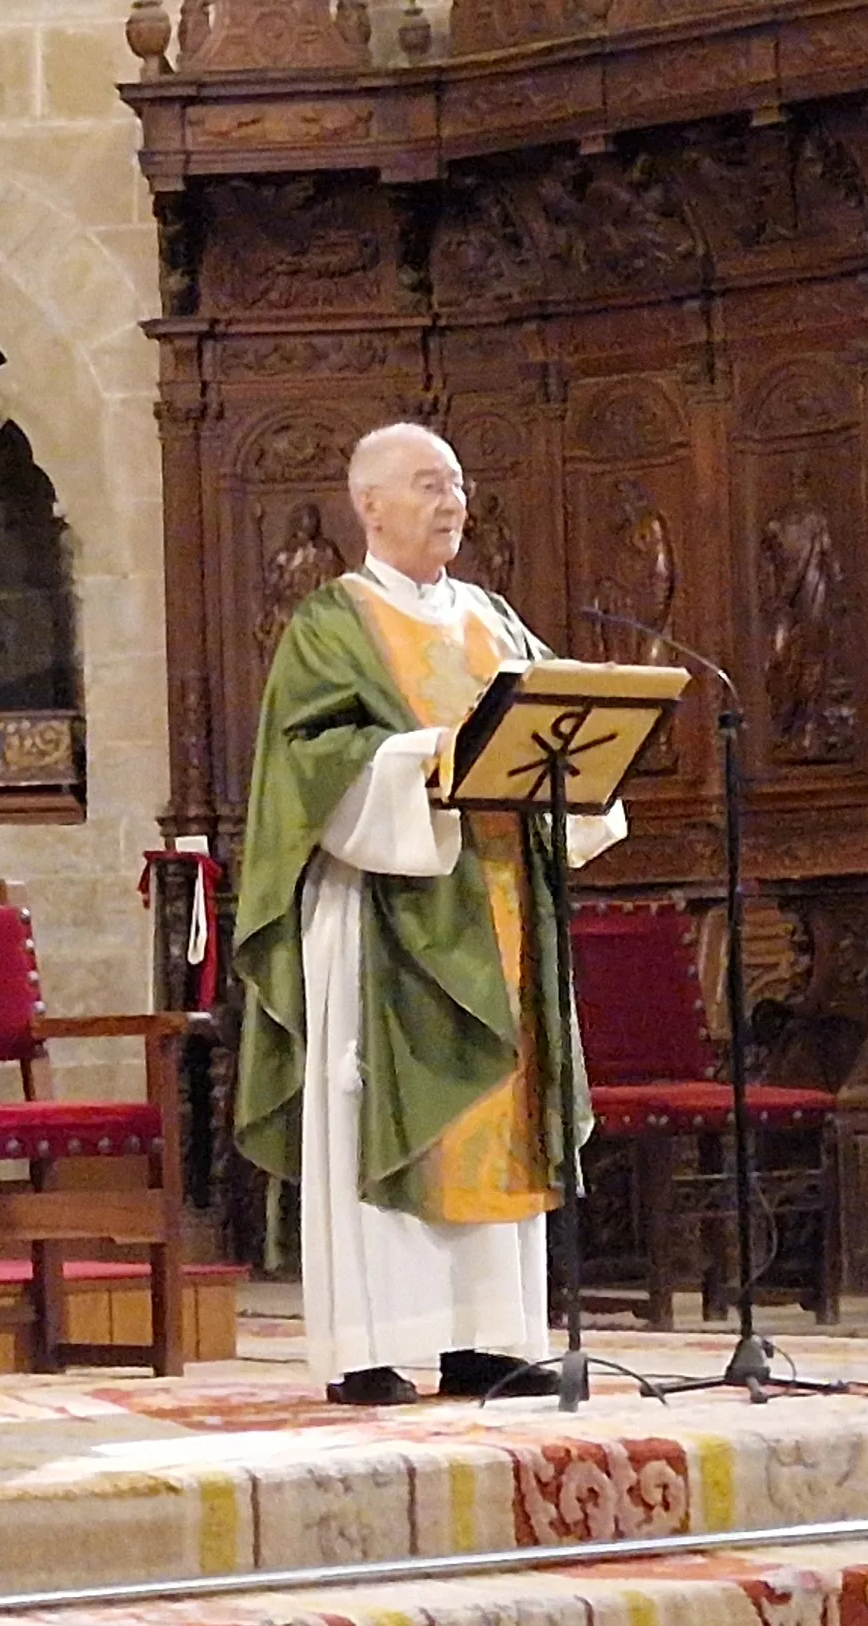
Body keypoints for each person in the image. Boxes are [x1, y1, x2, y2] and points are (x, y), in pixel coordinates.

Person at [230, 422, 627, 1407]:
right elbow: (310, 760)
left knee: (498, 1112)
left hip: (499, 908)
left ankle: (487, 1340)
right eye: (426, 485)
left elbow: (555, 723)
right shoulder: (333, 623)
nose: (452, 502)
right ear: (368, 504)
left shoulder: (494, 617)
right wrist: (424, 760)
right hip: (387, 912)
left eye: (456, 483)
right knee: (384, 1111)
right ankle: (370, 1345)